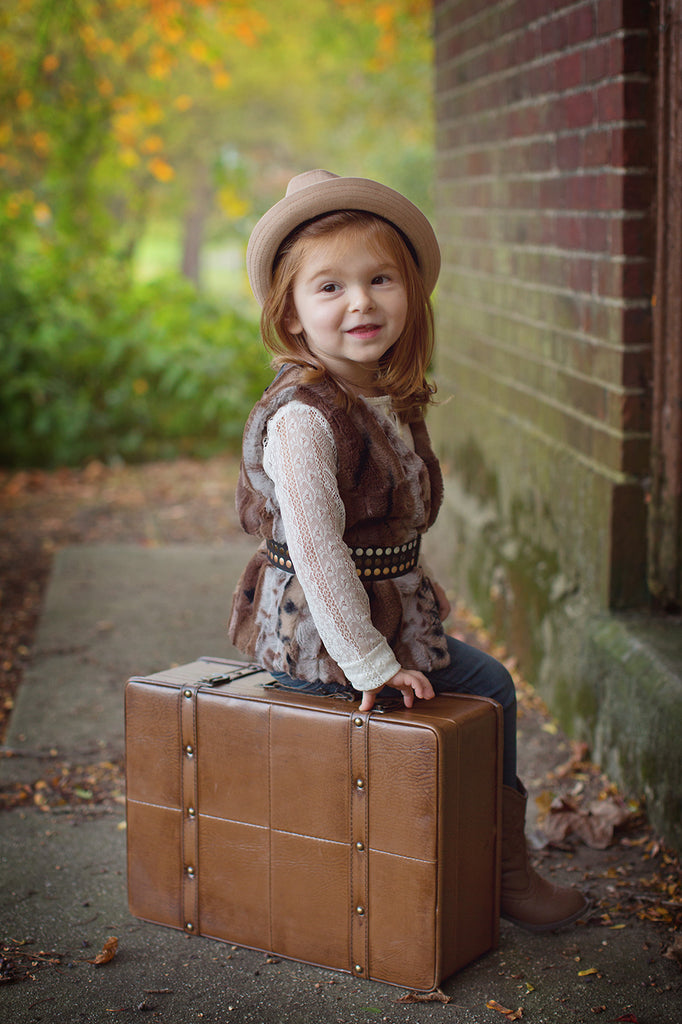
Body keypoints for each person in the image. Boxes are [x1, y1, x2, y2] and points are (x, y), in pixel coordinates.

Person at [228, 169, 589, 933]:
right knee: (390, 743)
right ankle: (388, 888)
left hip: (387, 622)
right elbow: (323, 557)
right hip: (324, 645)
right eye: (329, 288)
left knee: (487, 686)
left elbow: (389, 534)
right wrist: (368, 663)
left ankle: (500, 867)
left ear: (409, 295)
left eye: (379, 279)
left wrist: (418, 601)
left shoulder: (384, 398)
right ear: (292, 319)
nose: (360, 302)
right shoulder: (304, 420)